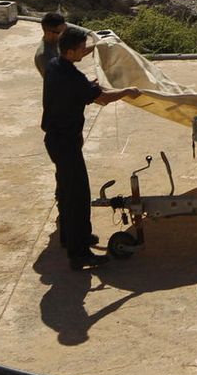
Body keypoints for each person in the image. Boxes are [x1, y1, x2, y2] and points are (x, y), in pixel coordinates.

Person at [41, 26, 141, 269]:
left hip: (55, 140)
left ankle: (71, 237)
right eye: (83, 48)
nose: (86, 51)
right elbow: (103, 98)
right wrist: (128, 91)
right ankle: (79, 254)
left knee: (66, 192)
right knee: (77, 198)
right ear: (71, 50)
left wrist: (90, 86)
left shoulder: (55, 65)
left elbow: (83, 90)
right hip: (66, 144)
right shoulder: (72, 78)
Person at [33, 11, 66, 77]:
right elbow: (55, 82)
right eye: (60, 32)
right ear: (49, 33)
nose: (64, 34)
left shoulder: (56, 43)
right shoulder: (44, 56)